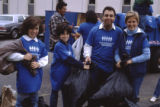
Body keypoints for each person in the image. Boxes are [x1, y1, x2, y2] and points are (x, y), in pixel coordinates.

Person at [83, 6, 126, 106]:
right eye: (106, 15)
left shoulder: (119, 32)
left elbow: (120, 49)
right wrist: (87, 56)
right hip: (95, 68)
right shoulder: (94, 30)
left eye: (111, 16)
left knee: (108, 96)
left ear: (114, 18)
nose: (108, 18)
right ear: (102, 17)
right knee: (93, 95)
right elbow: (88, 45)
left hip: (111, 70)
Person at [7, 16, 48, 107]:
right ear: (26, 28)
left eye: (36, 28)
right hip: (24, 79)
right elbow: (9, 55)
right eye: (31, 28)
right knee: (20, 103)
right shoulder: (20, 41)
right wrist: (22, 57)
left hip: (36, 78)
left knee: (34, 103)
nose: (34, 31)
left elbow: (45, 58)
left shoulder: (40, 44)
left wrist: (39, 64)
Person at [50, 22, 90, 107]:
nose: (65, 36)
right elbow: (68, 59)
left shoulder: (68, 46)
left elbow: (73, 59)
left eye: (67, 34)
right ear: (59, 35)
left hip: (67, 74)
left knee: (66, 93)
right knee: (55, 92)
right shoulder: (58, 46)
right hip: (58, 74)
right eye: (63, 34)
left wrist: (81, 63)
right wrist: (82, 65)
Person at [115, 11, 150, 103]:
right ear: (126, 22)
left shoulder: (142, 36)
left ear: (137, 22)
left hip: (137, 72)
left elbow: (147, 55)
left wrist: (131, 61)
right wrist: (118, 61)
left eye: (134, 21)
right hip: (124, 70)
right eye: (129, 22)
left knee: (133, 95)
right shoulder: (122, 34)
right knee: (123, 94)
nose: (131, 24)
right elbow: (116, 51)